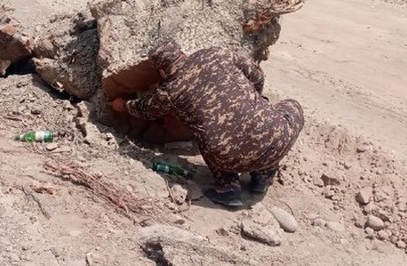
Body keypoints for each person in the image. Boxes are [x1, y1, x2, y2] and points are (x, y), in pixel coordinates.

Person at [109, 43, 304, 208]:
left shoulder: (170, 91)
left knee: (210, 136)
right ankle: (263, 175)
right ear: (182, 54)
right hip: (275, 143)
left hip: (229, 158)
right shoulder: (216, 54)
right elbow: (257, 76)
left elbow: (146, 110)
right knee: (293, 106)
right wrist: (254, 100)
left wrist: (123, 106)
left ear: (162, 71)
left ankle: (228, 189)